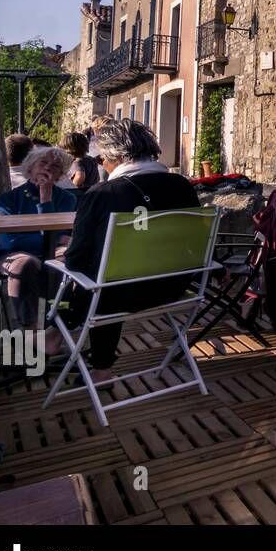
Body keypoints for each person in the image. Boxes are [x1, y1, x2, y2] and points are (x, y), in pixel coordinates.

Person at [61, 118, 199, 377]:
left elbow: (75, 260)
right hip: (174, 287)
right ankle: (57, 338)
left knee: (96, 278)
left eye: (101, 158)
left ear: (115, 155)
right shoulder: (182, 186)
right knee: (109, 274)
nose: (101, 163)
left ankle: (89, 362)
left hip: (117, 296)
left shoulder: (101, 194)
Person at [0, 146, 77, 333]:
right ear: (30, 168)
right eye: (43, 163)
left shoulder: (66, 199)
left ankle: (55, 327)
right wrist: (51, 240)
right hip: (14, 255)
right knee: (26, 264)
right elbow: (11, 241)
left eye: (55, 166)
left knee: (66, 261)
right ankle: (30, 330)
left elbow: (59, 237)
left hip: (52, 254)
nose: (48, 168)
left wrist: (46, 199)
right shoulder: (7, 199)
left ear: (60, 174)